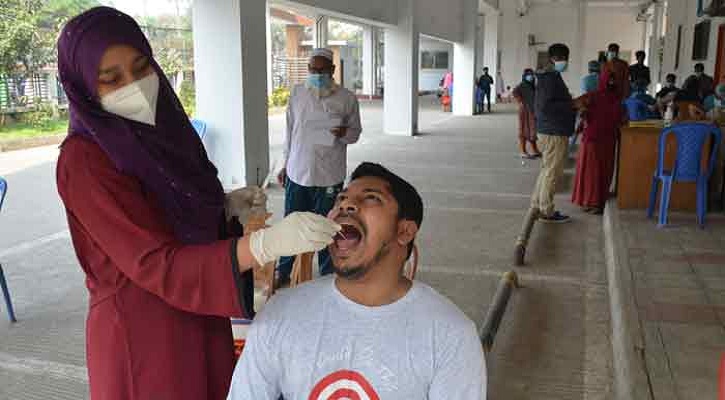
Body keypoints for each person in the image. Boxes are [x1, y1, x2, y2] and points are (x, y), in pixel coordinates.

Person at [55, 8, 341, 400]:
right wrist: (262, 245)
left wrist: (222, 207)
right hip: (142, 329)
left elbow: (162, 207)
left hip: (198, 305)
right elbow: (153, 261)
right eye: (111, 79)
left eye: (141, 67)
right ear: (84, 86)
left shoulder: (162, 130)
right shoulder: (85, 160)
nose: (135, 85)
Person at [228, 162, 487, 400]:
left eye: (371, 198)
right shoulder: (280, 313)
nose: (345, 205)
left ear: (405, 231)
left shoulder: (450, 335)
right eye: (341, 199)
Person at [277, 48, 362, 287]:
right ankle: (284, 271)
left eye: (322, 70)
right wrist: (284, 164)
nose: (316, 74)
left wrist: (344, 132)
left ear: (332, 70)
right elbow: (289, 131)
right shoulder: (298, 93)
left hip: (329, 175)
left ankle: (327, 277)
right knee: (292, 225)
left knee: (327, 228)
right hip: (298, 172)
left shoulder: (346, 98)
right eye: (312, 70)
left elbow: (355, 134)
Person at [531, 43, 577, 223]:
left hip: (550, 129)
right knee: (552, 172)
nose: (564, 62)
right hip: (553, 131)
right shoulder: (549, 78)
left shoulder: (549, 76)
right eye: (562, 59)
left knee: (546, 170)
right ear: (553, 59)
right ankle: (546, 210)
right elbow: (545, 106)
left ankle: (538, 202)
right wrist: (572, 105)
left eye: (565, 59)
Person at [572, 71, 625, 214]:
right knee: (591, 171)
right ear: (602, 81)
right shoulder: (593, 96)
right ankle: (590, 202)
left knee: (604, 170)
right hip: (593, 139)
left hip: (608, 140)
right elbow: (575, 103)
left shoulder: (617, 98)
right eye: (609, 80)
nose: (611, 83)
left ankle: (597, 202)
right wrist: (583, 111)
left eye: (613, 80)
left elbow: (621, 118)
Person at [513, 69, 541, 159]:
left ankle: (534, 149)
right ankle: (522, 151)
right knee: (524, 130)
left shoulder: (532, 86)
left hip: (532, 111)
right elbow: (514, 92)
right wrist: (520, 101)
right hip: (524, 111)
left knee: (532, 130)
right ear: (524, 76)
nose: (531, 76)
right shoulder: (522, 85)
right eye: (529, 75)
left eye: (532, 75)